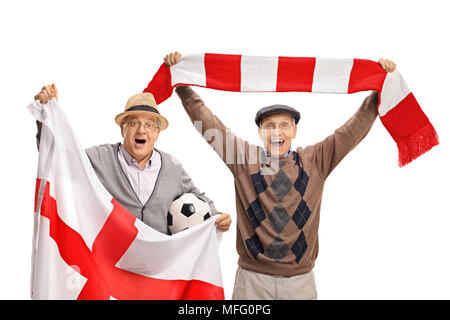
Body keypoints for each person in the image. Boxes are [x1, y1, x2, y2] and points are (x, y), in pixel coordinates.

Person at [163, 52, 396, 299]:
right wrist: (182, 83)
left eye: (284, 125)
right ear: (260, 132)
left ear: (294, 130)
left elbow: (353, 129)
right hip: (251, 283)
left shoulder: (316, 161)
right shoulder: (244, 160)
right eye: (269, 126)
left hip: (301, 283)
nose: (277, 132)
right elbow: (207, 121)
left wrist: (379, 89)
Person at [34, 84, 232, 235]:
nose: (141, 130)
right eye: (134, 123)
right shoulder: (99, 158)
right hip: (111, 265)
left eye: (149, 125)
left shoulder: (172, 167)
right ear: (123, 128)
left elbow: (196, 195)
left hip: (158, 268)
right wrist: (46, 118)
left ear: (157, 133)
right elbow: (60, 158)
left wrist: (216, 216)